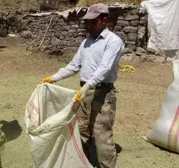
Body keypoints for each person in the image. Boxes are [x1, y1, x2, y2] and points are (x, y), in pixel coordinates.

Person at [40, 3, 124, 168]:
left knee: (101, 135)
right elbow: (74, 66)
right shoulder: (86, 41)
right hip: (84, 92)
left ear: (104, 20)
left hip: (102, 93)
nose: (88, 25)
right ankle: (82, 163)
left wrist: (87, 87)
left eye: (92, 22)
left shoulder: (114, 42)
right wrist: (53, 78)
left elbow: (104, 69)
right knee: (81, 132)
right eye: (87, 21)